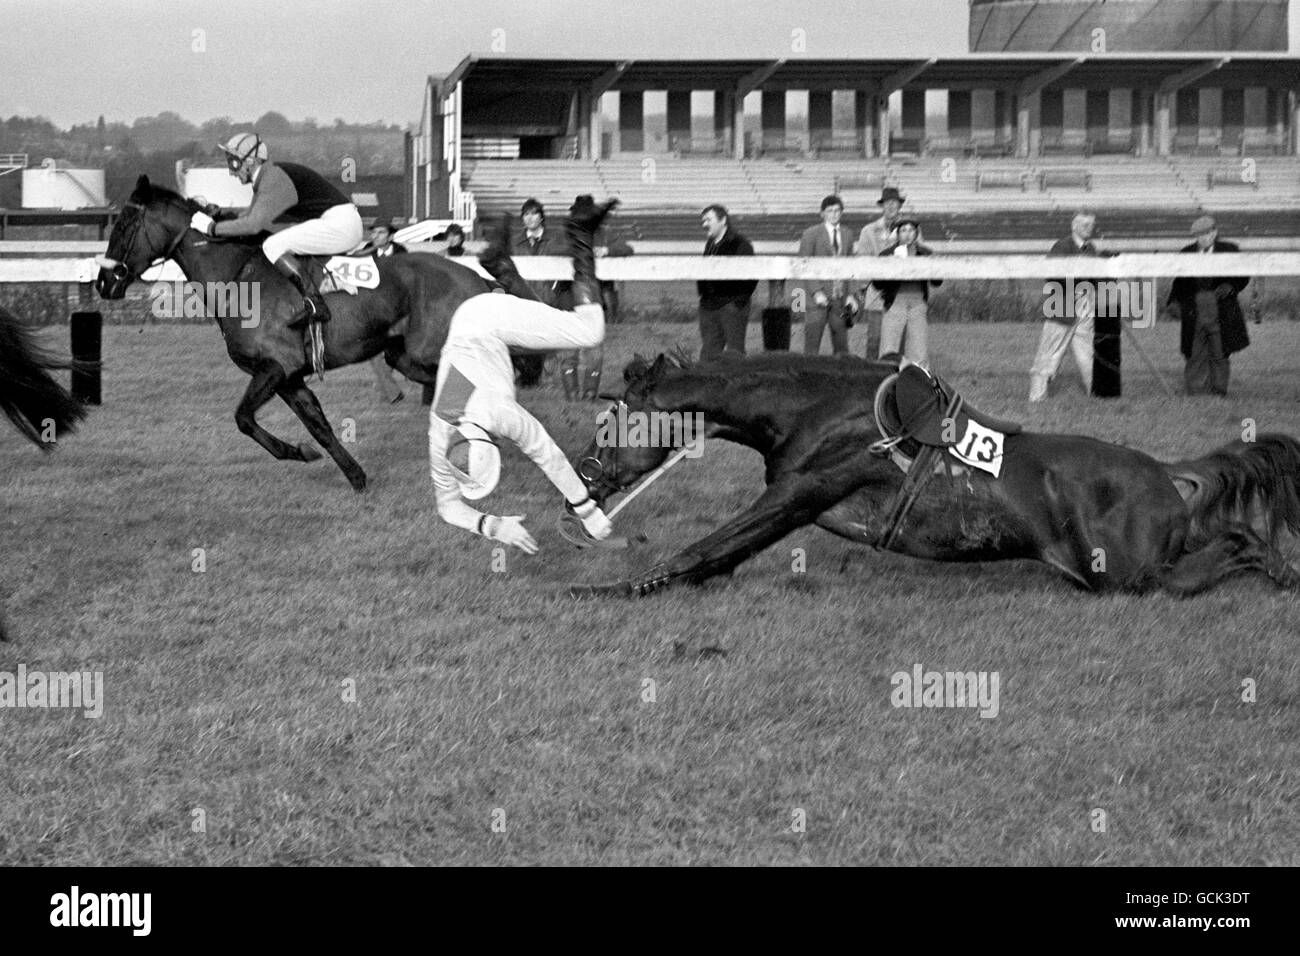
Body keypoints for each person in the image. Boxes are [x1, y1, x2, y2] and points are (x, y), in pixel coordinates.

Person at [428, 196, 620, 553]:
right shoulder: (443, 429)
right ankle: (502, 267)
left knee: (590, 331)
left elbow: (548, 455)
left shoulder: (495, 414)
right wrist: (492, 526)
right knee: (541, 346)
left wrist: (587, 510)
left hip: (486, 322)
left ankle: (580, 233)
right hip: (469, 332)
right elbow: (447, 507)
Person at [189, 132, 363, 329]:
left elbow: (253, 225)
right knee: (276, 240)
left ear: (251, 161)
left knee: (272, 245)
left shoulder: (273, 178)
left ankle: (315, 303)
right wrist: (219, 213)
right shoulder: (266, 178)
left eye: (234, 163)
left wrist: (212, 228)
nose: (231, 171)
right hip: (337, 222)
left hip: (341, 224)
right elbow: (248, 216)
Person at [1028, 211, 1107, 402]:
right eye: (1084, 224)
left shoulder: (1091, 249)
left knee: (1088, 353)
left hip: (1085, 306)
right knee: (1049, 352)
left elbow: (1095, 279)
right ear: (1074, 226)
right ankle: (1037, 397)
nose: (1089, 228)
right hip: (1062, 306)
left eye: (1091, 225)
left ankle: (1097, 394)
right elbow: (1052, 273)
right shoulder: (1062, 246)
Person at [1167, 216, 1249, 396]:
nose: (1203, 239)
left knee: (1220, 351)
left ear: (1214, 232)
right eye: (1198, 235)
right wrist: (1173, 301)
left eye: (1206, 234)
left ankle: (1219, 390)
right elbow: (1179, 282)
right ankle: (1195, 391)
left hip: (1221, 308)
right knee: (1194, 352)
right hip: (1193, 309)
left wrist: (1231, 286)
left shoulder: (1230, 250)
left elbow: (1243, 276)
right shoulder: (1186, 253)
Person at [854, 187, 918, 359]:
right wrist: (864, 287)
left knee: (900, 340)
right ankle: (872, 377)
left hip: (902, 293)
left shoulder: (910, 229)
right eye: (887, 203)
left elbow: (919, 256)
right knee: (874, 339)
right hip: (877, 293)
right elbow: (863, 261)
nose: (891, 207)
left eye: (894, 203)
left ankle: (897, 379)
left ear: (899, 206)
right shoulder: (869, 231)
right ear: (882, 206)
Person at [873, 218, 940, 365]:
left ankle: (919, 383)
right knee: (889, 349)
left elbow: (937, 282)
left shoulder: (925, 253)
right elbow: (877, 284)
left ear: (916, 233)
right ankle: (887, 382)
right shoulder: (887, 254)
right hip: (895, 302)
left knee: (919, 349)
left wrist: (933, 265)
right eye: (903, 230)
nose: (907, 234)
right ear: (898, 234)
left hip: (918, 303)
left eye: (911, 230)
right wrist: (891, 266)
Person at [696, 204, 758, 362]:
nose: (704, 224)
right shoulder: (710, 243)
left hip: (731, 308)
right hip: (709, 307)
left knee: (735, 354)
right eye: (703, 221)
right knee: (708, 354)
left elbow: (752, 276)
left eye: (708, 220)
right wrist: (703, 298)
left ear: (723, 220)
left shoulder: (741, 244)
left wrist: (737, 303)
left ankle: (738, 386)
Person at [796, 195, 856, 356]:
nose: (834, 214)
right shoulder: (811, 234)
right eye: (830, 211)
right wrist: (816, 292)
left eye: (837, 210)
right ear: (822, 214)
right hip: (817, 300)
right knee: (812, 347)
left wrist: (850, 294)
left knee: (841, 347)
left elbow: (851, 266)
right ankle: (808, 377)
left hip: (839, 298)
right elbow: (804, 265)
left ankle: (841, 378)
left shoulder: (847, 234)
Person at [365, 217, 407, 402]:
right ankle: (391, 392)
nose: (375, 236)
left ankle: (385, 388)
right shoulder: (365, 252)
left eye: (380, 232)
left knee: (392, 349)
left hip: (398, 309)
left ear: (390, 236)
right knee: (374, 350)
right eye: (373, 232)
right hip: (373, 308)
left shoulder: (402, 253)